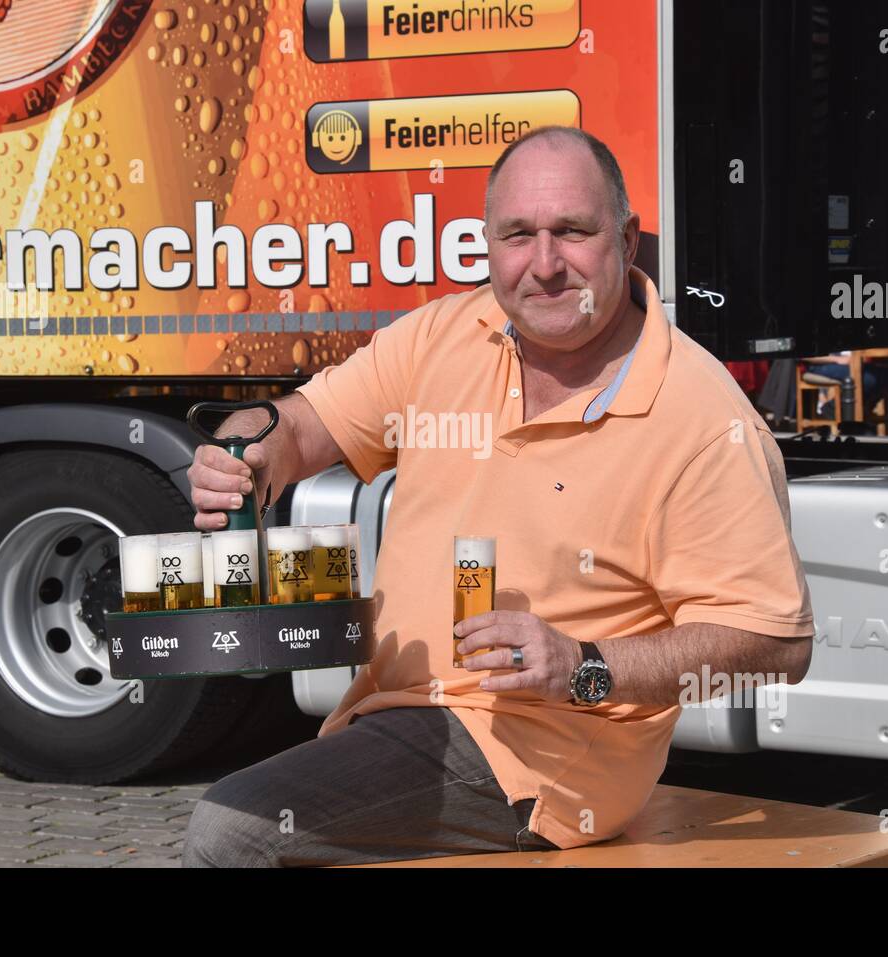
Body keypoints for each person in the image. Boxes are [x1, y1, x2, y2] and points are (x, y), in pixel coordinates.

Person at [182, 126, 814, 867]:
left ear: (628, 238)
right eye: (519, 235)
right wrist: (246, 453)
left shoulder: (702, 418)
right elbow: (300, 425)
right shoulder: (449, 334)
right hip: (403, 715)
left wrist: (583, 662)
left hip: (544, 758)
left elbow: (776, 640)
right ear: (488, 243)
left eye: (572, 232)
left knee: (234, 829)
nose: (544, 265)